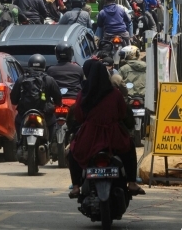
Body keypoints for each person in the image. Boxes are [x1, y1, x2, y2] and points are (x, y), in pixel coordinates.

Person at [67, 61, 144, 198]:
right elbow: (122, 113)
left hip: (89, 136)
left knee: (72, 152)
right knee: (129, 148)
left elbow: (78, 116)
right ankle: (132, 183)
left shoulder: (82, 94)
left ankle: (76, 187)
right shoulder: (115, 94)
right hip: (113, 136)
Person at [10, 54, 62, 145]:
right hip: (45, 114)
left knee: (17, 120)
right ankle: (49, 143)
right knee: (53, 122)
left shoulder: (21, 79)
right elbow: (58, 98)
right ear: (43, 65)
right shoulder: (49, 80)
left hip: (24, 113)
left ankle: (20, 141)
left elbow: (14, 100)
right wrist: (56, 103)